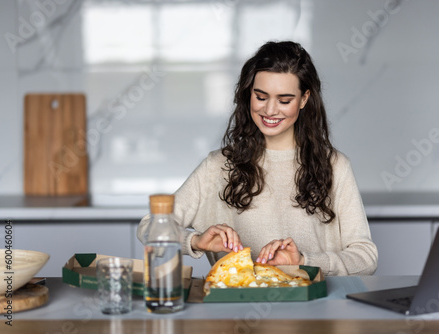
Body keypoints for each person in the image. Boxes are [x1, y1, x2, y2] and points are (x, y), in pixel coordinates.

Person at [138, 41, 378, 276]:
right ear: (248, 94)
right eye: (261, 97)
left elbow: (365, 258)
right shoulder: (218, 166)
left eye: (284, 101)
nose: (270, 110)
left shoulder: (335, 166)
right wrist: (195, 240)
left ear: (304, 99)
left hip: (315, 309)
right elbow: (149, 226)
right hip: (237, 310)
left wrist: (305, 262)